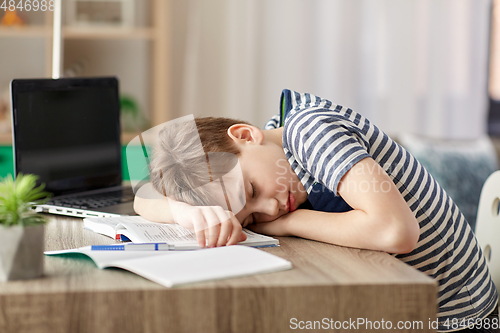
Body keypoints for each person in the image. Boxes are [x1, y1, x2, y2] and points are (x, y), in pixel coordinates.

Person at [134, 89, 499, 332]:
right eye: (252, 217)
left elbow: (396, 233)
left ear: (246, 135)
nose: (270, 208)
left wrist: (289, 223)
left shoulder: (311, 131)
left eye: (253, 191)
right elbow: (138, 193)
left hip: (455, 316)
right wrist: (181, 212)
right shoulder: (276, 149)